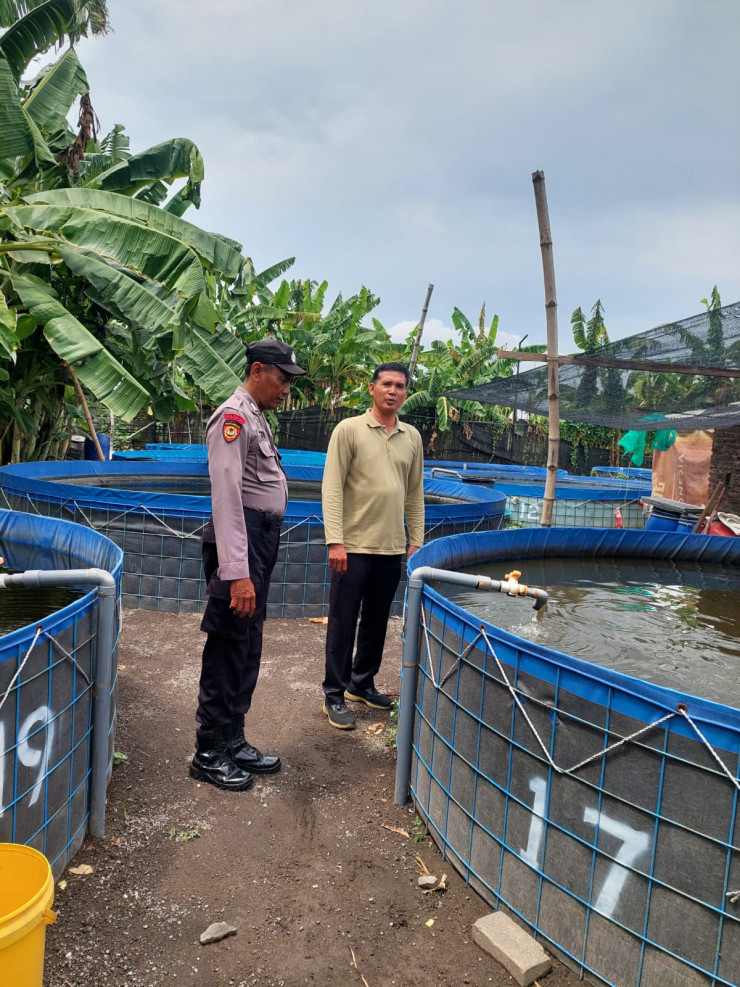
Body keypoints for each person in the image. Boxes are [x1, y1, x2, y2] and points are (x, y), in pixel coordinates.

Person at [191, 339, 306, 790]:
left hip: (260, 538)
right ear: (257, 370)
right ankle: (208, 750)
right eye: (282, 380)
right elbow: (227, 500)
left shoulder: (256, 416)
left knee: (248, 641)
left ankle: (233, 738)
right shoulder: (233, 417)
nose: (286, 391)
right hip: (239, 542)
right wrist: (235, 571)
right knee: (228, 641)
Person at [321, 362, 425, 730]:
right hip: (353, 546)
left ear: (405, 393)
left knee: (378, 621)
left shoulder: (411, 436)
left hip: (392, 547)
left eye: (400, 386)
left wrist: (416, 542)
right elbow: (332, 487)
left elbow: (414, 494)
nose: (393, 391)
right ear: (372, 388)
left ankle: (361, 683)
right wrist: (336, 540)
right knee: (343, 621)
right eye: (386, 384)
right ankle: (334, 694)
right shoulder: (349, 430)